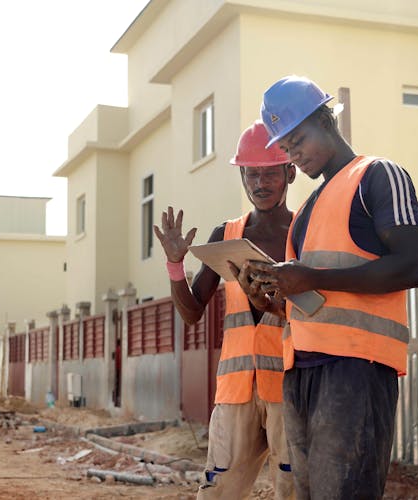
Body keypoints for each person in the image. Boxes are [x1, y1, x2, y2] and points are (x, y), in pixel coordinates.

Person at [246, 75, 418, 499]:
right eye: (286, 148)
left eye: (298, 140)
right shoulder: (309, 207)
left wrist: (312, 278)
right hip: (301, 372)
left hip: (356, 370)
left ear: (325, 121)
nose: (294, 154)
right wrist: (272, 300)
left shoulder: (378, 176)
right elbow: (317, 301)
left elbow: (413, 266)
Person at [154, 120, 296, 499]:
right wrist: (174, 265)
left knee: (294, 491)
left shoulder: (306, 232)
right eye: (251, 174)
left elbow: (318, 310)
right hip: (235, 394)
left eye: (269, 174)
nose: (259, 184)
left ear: (291, 172)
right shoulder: (227, 235)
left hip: (291, 390)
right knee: (217, 493)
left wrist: (270, 303)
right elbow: (191, 313)